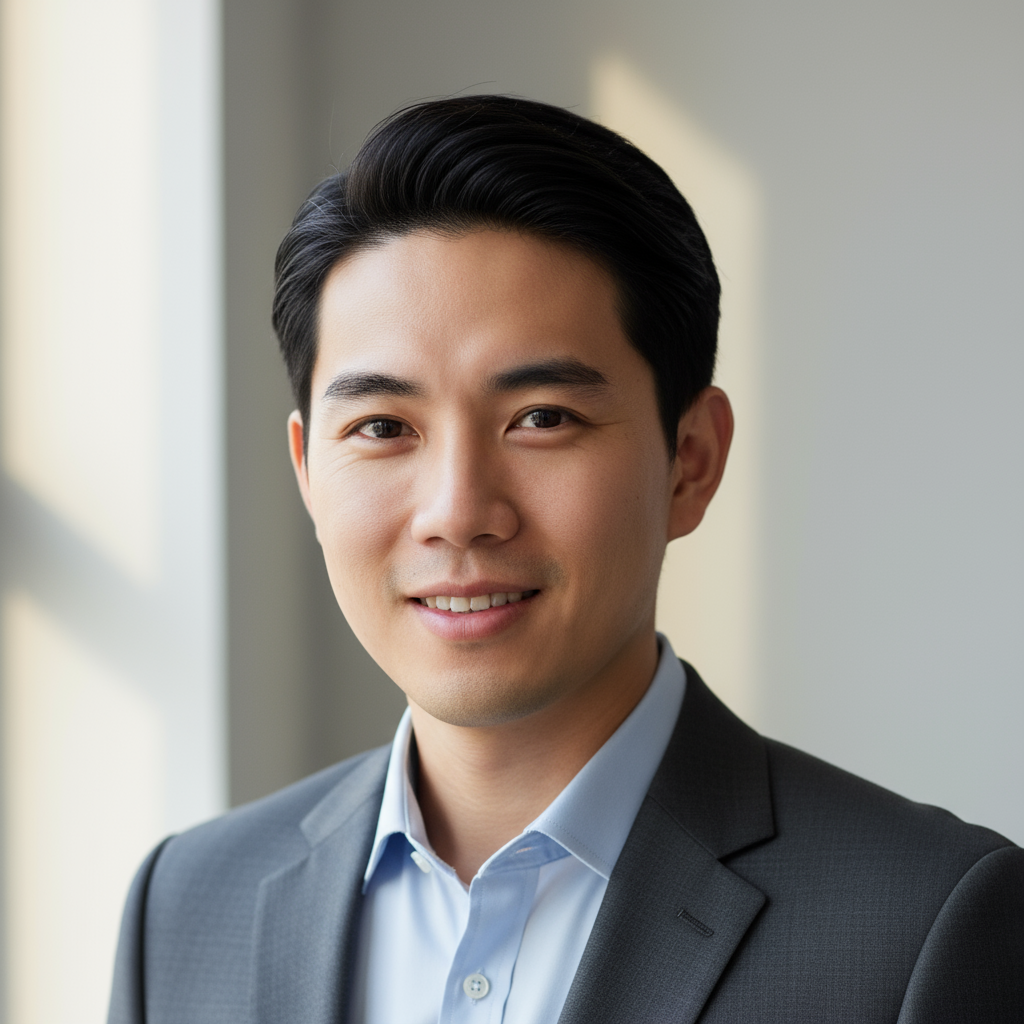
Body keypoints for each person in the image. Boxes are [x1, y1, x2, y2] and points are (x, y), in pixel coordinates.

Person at [107, 96, 1023, 1024]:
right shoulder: (184, 908)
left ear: (691, 461)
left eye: (542, 418)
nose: (457, 513)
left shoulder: (928, 927)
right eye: (383, 427)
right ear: (308, 471)